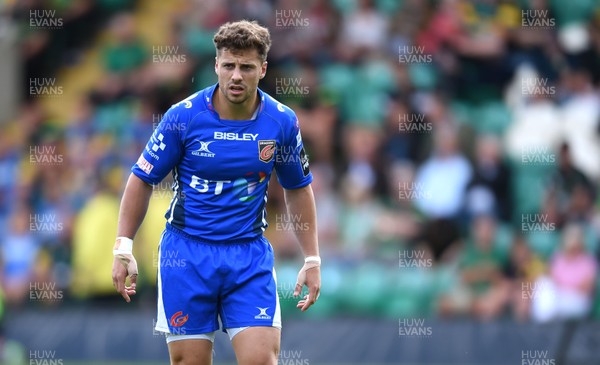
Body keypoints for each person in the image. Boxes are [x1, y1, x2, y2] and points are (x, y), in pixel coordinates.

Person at [111, 20, 321, 365]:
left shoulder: (281, 122)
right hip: (187, 256)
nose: (236, 76)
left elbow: (297, 188)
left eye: (246, 67)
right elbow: (142, 179)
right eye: (229, 65)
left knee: (260, 360)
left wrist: (311, 258)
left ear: (263, 69)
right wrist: (124, 246)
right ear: (216, 66)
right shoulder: (183, 117)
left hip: (248, 257)